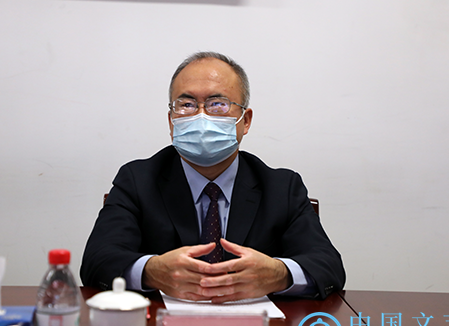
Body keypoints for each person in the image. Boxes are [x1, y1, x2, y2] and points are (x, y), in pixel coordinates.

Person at [80, 52, 345, 303]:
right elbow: (97, 260)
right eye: (187, 105)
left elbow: (328, 266)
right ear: (171, 121)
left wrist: (279, 274)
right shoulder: (138, 181)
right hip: (161, 325)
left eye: (217, 104)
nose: (201, 116)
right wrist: (151, 271)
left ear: (245, 120)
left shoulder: (281, 188)